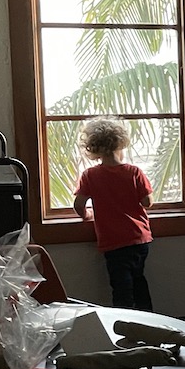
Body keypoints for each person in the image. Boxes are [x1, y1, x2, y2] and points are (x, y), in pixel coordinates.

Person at [72, 116, 154, 311]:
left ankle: (124, 323)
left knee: (121, 286)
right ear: (121, 143)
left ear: (94, 148)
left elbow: (79, 204)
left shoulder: (90, 175)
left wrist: (86, 216)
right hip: (139, 238)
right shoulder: (134, 172)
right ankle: (149, 318)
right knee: (138, 279)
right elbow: (147, 202)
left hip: (113, 241)